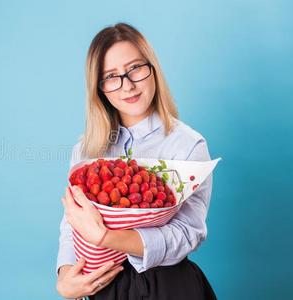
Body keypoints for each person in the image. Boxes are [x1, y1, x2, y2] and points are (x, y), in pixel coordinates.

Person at [56, 22, 217, 300]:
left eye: (135, 69)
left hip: (171, 287)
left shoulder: (188, 144)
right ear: (99, 88)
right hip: (105, 288)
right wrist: (65, 277)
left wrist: (107, 238)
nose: (127, 85)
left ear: (152, 68)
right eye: (111, 76)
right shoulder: (85, 150)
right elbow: (73, 224)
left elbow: (188, 233)